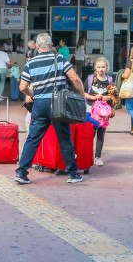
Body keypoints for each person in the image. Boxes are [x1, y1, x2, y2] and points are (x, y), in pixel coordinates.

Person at [15, 33, 87, 185]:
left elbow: (22, 87)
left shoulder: (31, 63)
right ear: (51, 44)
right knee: (64, 139)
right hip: (58, 103)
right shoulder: (59, 59)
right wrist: (81, 96)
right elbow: (74, 78)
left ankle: (22, 172)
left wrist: (33, 94)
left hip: (39, 104)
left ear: (36, 46)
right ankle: (72, 173)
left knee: (33, 138)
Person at [84, 58, 115, 165]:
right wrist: (94, 97)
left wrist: (107, 97)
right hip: (90, 110)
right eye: (98, 67)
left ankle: (97, 157)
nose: (101, 69)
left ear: (107, 67)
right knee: (89, 133)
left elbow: (113, 95)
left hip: (103, 112)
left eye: (103, 67)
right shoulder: (90, 79)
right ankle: (86, 155)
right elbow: (84, 93)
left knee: (101, 134)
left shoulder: (110, 80)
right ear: (95, 67)